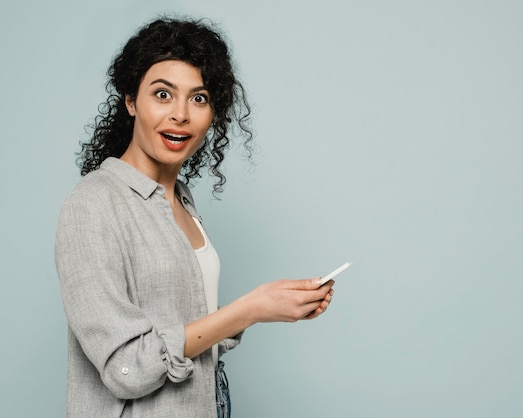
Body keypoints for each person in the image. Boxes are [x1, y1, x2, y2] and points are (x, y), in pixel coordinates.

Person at [55, 17, 334, 418]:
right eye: (163, 94)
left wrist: (273, 308)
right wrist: (249, 309)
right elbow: (126, 368)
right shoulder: (93, 204)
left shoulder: (180, 200)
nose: (181, 114)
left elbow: (187, 335)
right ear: (131, 101)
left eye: (199, 98)